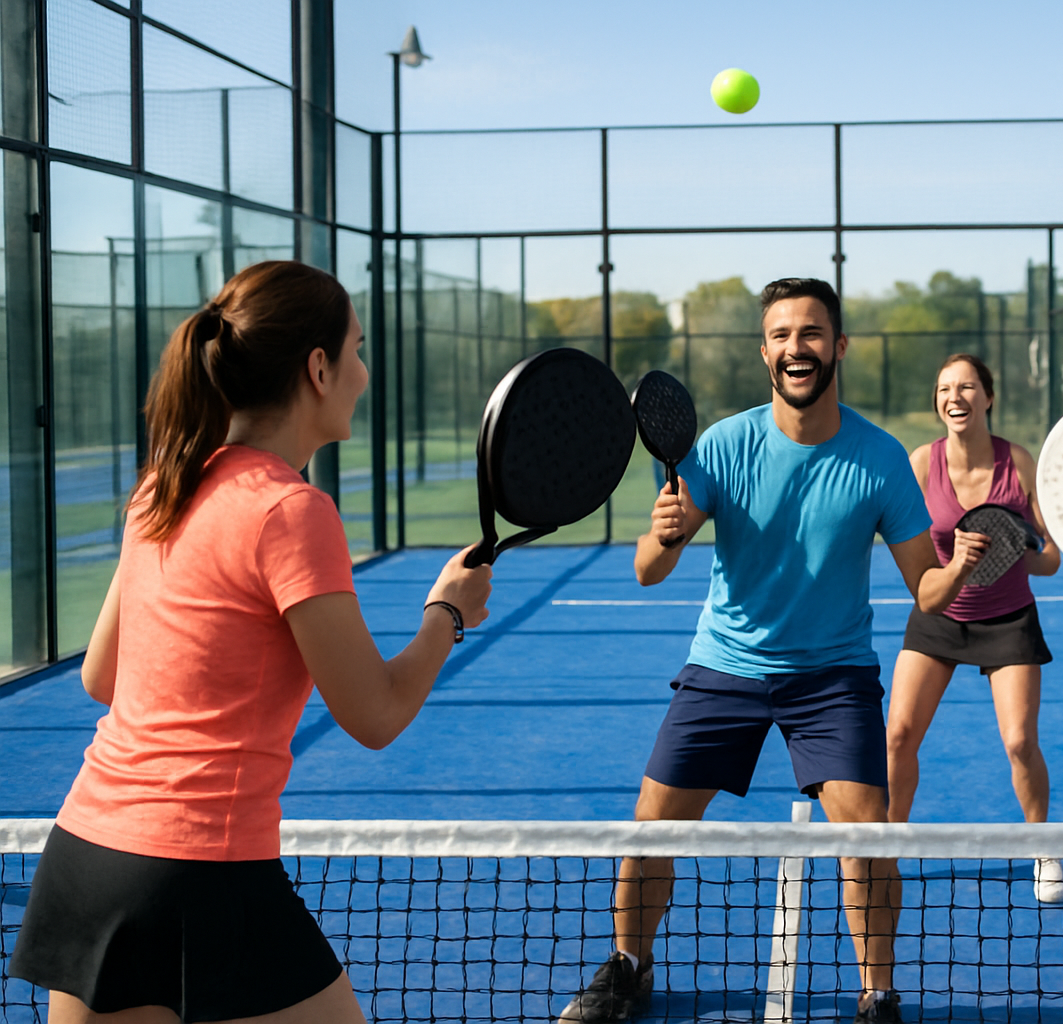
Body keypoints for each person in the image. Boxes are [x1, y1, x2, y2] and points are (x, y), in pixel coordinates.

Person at [10, 261, 493, 1024]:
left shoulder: (161, 485)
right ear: (319, 366)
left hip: (85, 859)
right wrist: (448, 613)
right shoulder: (291, 511)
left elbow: (102, 677)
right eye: (358, 350)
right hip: (200, 874)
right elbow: (374, 715)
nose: (364, 374)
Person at [559, 278, 970, 1024]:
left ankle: (878, 996)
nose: (795, 349)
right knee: (649, 827)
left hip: (833, 676)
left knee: (868, 836)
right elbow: (647, 571)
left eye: (811, 333)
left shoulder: (879, 460)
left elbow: (927, 591)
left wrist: (967, 563)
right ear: (764, 353)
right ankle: (628, 968)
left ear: (838, 347)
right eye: (781, 336)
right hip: (726, 666)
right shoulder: (719, 446)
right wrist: (664, 529)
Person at [884, 354, 1063, 902]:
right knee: (897, 736)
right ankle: (888, 846)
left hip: (1009, 619)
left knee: (1018, 742)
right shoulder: (921, 464)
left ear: (988, 397)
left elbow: (1051, 557)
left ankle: (1044, 847)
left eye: (966, 387)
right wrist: (954, 567)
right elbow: (910, 550)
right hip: (940, 616)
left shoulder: (1021, 463)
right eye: (944, 389)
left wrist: (1014, 550)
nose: (954, 398)